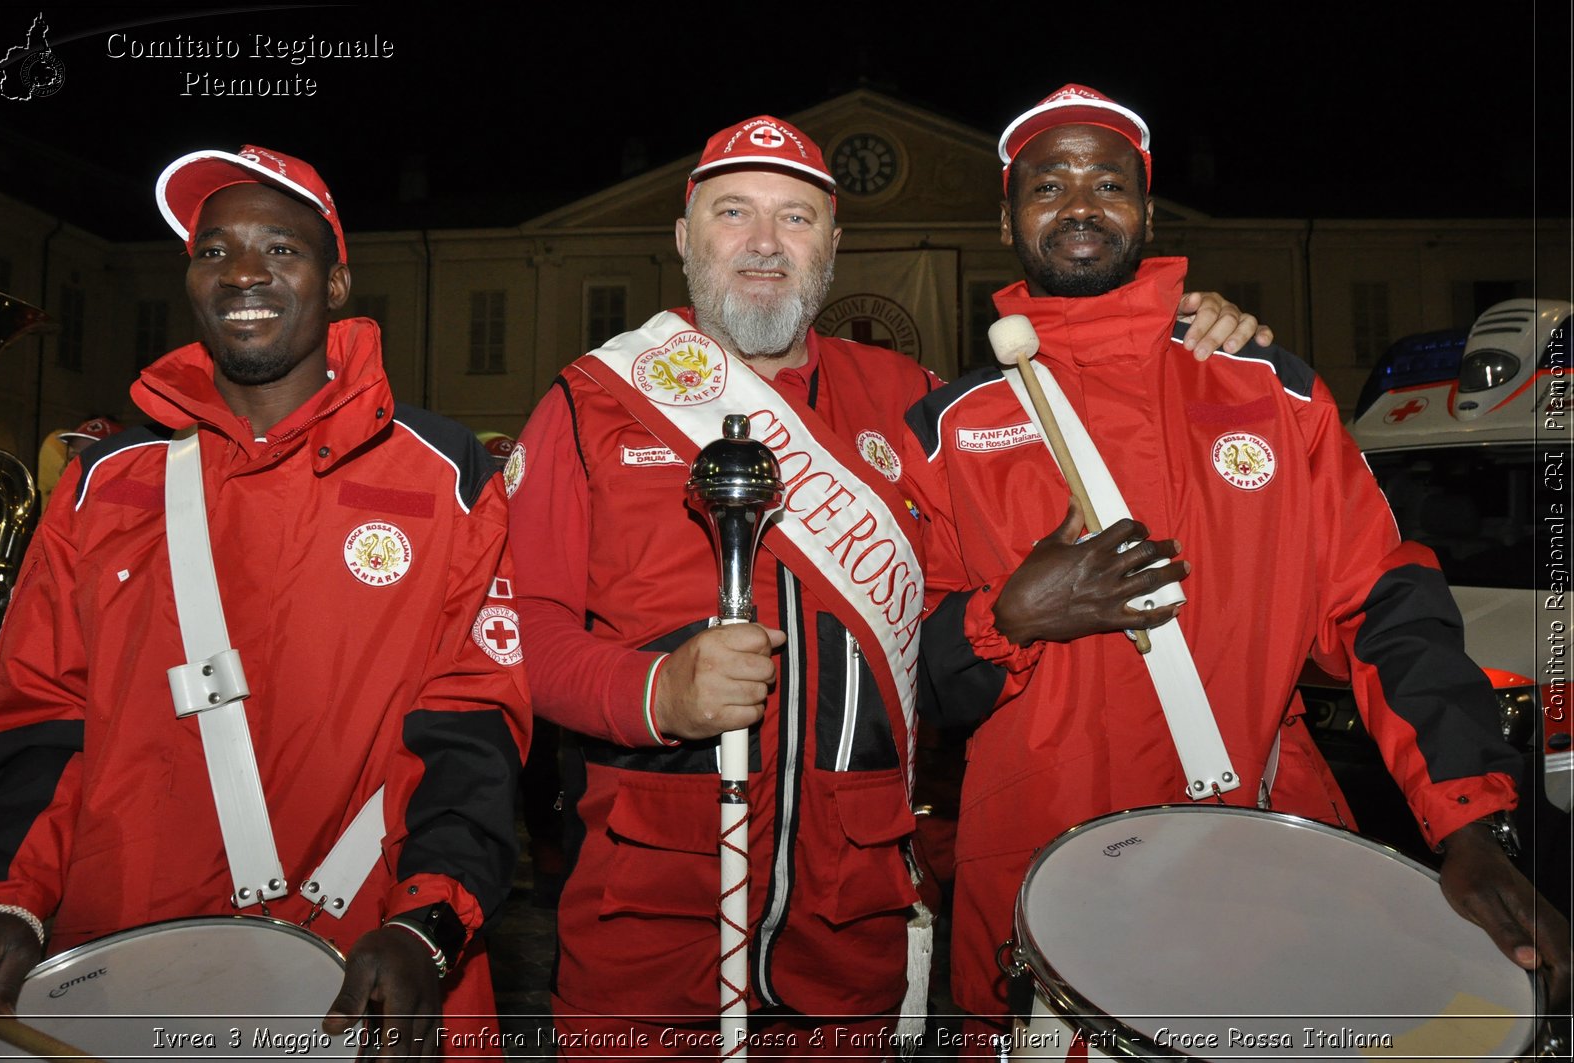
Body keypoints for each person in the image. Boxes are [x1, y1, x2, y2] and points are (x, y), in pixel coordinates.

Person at [508, 114, 1268, 1056]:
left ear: (833, 247)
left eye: (794, 219)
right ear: (683, 237)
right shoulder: (590, 401)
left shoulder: (909, 395)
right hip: (649, 900)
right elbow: (520, 639)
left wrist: (1181, 329)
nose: (762, 243)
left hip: (854, 904)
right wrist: (654, 692)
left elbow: (1039, 490)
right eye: (733, 212)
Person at [902, 84, 1573, 1047]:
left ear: (1146, 206)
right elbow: (908, 682)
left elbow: (1384, 605)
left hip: (1258, 873)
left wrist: (1470, 823)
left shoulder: (1270, 387)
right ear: (1005, 217)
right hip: (1035, 889)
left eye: (1109, 183)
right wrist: (1001, 621)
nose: (1080, 205)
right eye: (1048, 185)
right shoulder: (944, 431)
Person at [0, 145, 531, 1059]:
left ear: (339, 281)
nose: (242, 271)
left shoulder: (450, 476)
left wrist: (431, 921)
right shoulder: (101, 485)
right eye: (213, 250)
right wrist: (5, 898)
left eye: (281, 248)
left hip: (364, 962)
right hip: (127, 962)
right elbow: (41, 719)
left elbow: (473, 727)